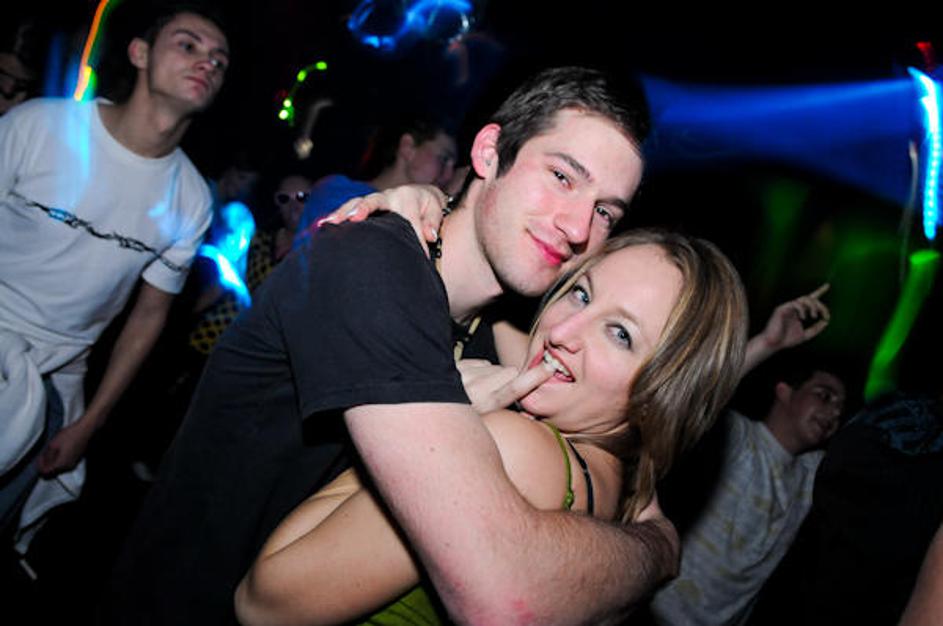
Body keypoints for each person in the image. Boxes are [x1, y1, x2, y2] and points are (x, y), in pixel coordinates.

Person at [106, 65, 676, 625]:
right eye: (562, 177)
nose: (577, 226)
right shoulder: (370, 263)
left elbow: (620, 441)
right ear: (488, 153)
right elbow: (503, 594)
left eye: (605, 211)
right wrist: (656, 550)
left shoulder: (503, 335)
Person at [235, 228, 750, 625]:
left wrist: (443, 411)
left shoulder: (512, 447)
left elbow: (266, 601)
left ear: (664, 393)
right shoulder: (616, 495)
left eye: (619, 334)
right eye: (581, 294)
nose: (564, 331)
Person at [0, 5, 228, 552]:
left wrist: (90, 423)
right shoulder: (38, 126)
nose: (207, 63)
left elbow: (148, 316)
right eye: (188, 45)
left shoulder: (191, 197)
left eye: (219, 61)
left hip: (55, 379)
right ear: (140, 53)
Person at [650, 299, 847, 626]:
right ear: (785, 392)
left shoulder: (810, 474)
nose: (833, 412)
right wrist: (768, 343)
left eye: (840, 407)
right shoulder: (739, 438)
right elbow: (698, 394)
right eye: (824, 396)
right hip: (656, 614)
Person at [293, 115, 457, 239]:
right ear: (408, 148)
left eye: (453, 166)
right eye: (443, 159)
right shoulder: (336, 190)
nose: (449, 174)